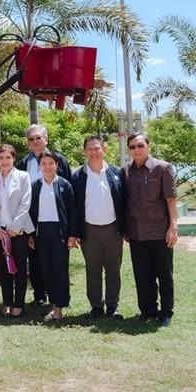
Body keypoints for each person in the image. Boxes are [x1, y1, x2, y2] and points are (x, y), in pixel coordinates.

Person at [122, 132, 177, 326]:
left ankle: (166, 312)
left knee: (164, 274)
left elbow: (171, 199)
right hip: (136, 233)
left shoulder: (163, 168)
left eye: (140, 145)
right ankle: (147, 311)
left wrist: (173, 227)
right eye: (132, 147)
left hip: (160, 232)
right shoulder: (126, 170)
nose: (136, 150)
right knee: (142, 275)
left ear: (148, 146)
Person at [69, 136, 126, 319]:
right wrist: (74, 232)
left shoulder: (116, 173)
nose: (94, 152)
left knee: (113, 269)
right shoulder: (78, 176)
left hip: (113, 229)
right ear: (84, 151)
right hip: (89, 230)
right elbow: (74, 206)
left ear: (104, 149)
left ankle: (112, 307)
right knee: (93, 269)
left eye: (97, 148)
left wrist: (125, 229)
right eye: (90, 149)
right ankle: (96, 307)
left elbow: (125, 202)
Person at [17, 124, 72, 306]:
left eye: (38, 138)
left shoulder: (59, 160)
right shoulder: (24, 163)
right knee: (35, 259)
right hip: (31, 216)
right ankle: (39, 294)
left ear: (46, 139)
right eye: (31, 139)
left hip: (56, 220)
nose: (35, 142)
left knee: (57, 262)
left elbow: (69, 193)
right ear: (28, 143)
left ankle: (57, 297)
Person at [29, 150, 77, 322]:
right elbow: (31, 213)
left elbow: (72, 212)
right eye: (44, 164)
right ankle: (52, 301)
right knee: (46, 269)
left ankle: (59, 307)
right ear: (39, 166)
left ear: (57, 165)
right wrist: (31, 235)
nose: (47, 167)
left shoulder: (65, 185)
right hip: (42, 232)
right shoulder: (35, 186)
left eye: (51, 163)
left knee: (60, 270)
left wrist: (72, 235)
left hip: (60, 233)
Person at [0, 144, 33, 318]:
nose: (4, 161)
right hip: (1, 231)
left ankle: (18, 304)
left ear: (14, 158)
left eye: (8, 157)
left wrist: (15, 227)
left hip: (19, 230)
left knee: (20, 268)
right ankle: (7, 302)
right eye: (1, 158)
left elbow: (25, 202)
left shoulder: (23, 176)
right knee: (4, 268)